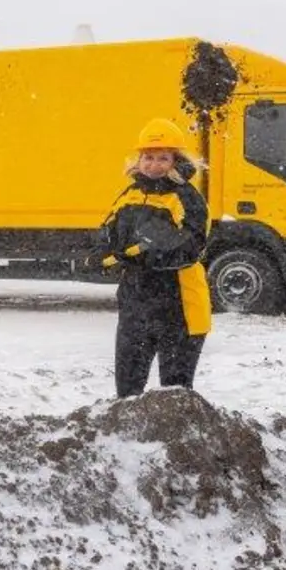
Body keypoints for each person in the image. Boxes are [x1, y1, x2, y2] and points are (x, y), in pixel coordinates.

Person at [98, 118, 212, 398]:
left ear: (176, 160)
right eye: (148, 157)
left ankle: (174, 441)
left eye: (163, 158)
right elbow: (108, 230)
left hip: (179, 305)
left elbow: (191, 244)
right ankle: (128, 441)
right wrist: (104, 253)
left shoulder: (187, 197)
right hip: (135, 304)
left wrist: (149, 253)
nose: (154, 164)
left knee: (175, 394)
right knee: (127, 391)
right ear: (139, 159)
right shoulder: (130, 194)